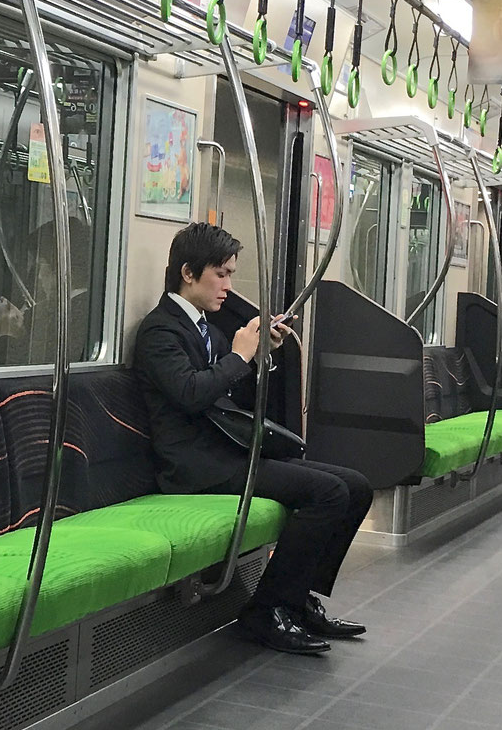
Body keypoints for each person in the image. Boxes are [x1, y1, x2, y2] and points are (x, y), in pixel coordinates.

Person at [133, 223, 374, 655]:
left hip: (227, 452)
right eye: (221, 274)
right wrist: (240, 354)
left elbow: (231, 394)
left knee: (355, 486)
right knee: (327, 494)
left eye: (230, 275)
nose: (228, 286)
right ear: (189, 273)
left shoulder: (208, 327)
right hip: (195, 466)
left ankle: (296, 601)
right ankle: (267, 611)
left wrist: (261, 354)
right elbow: (190, 394)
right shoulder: (161, 332)